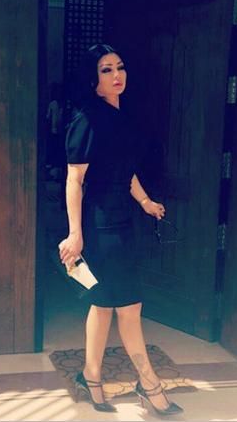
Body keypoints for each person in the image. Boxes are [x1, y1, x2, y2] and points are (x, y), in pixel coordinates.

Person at [58, 44, 183, 416]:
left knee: (103, 305)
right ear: (93, 79)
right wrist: (75, 233)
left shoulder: (123, 117)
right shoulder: (86, 120)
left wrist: (145, 202)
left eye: (120, 67)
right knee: (128, 306)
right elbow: (74, 180)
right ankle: (149, 384)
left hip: (123, 222)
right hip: (99, 225)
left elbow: (125, 172)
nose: (117, 75)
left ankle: (91, 376)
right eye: (106, 69)